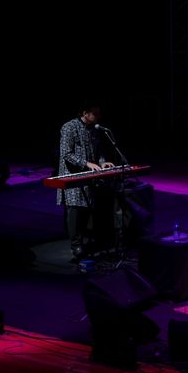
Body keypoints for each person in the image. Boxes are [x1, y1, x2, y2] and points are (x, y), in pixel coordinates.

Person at [56, 100, 115, 261]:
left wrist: (102, 162)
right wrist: (86, 163)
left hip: (89, 175)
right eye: (95, 113)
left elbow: (99, 150)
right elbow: (66, 153)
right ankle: (76, 245)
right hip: (72, 174)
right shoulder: (69, 127)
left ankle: (86, 239)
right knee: (74, 208)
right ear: (85, 113)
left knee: (86, 208)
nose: (98, 116)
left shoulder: (94, 130)